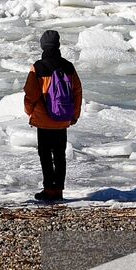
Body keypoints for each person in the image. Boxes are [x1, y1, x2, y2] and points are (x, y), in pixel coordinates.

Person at [23, 29, 82, 202]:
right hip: (62, 118)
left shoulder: (38, 67)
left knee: (45, 155)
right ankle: (59, 191)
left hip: (43, 120)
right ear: (58, 45)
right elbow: (77, 92)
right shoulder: (68, 67)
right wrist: (74, 115)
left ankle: (49, 189)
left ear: (43, 46)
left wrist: (29, 112)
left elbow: (31, 94)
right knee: (60, 155)